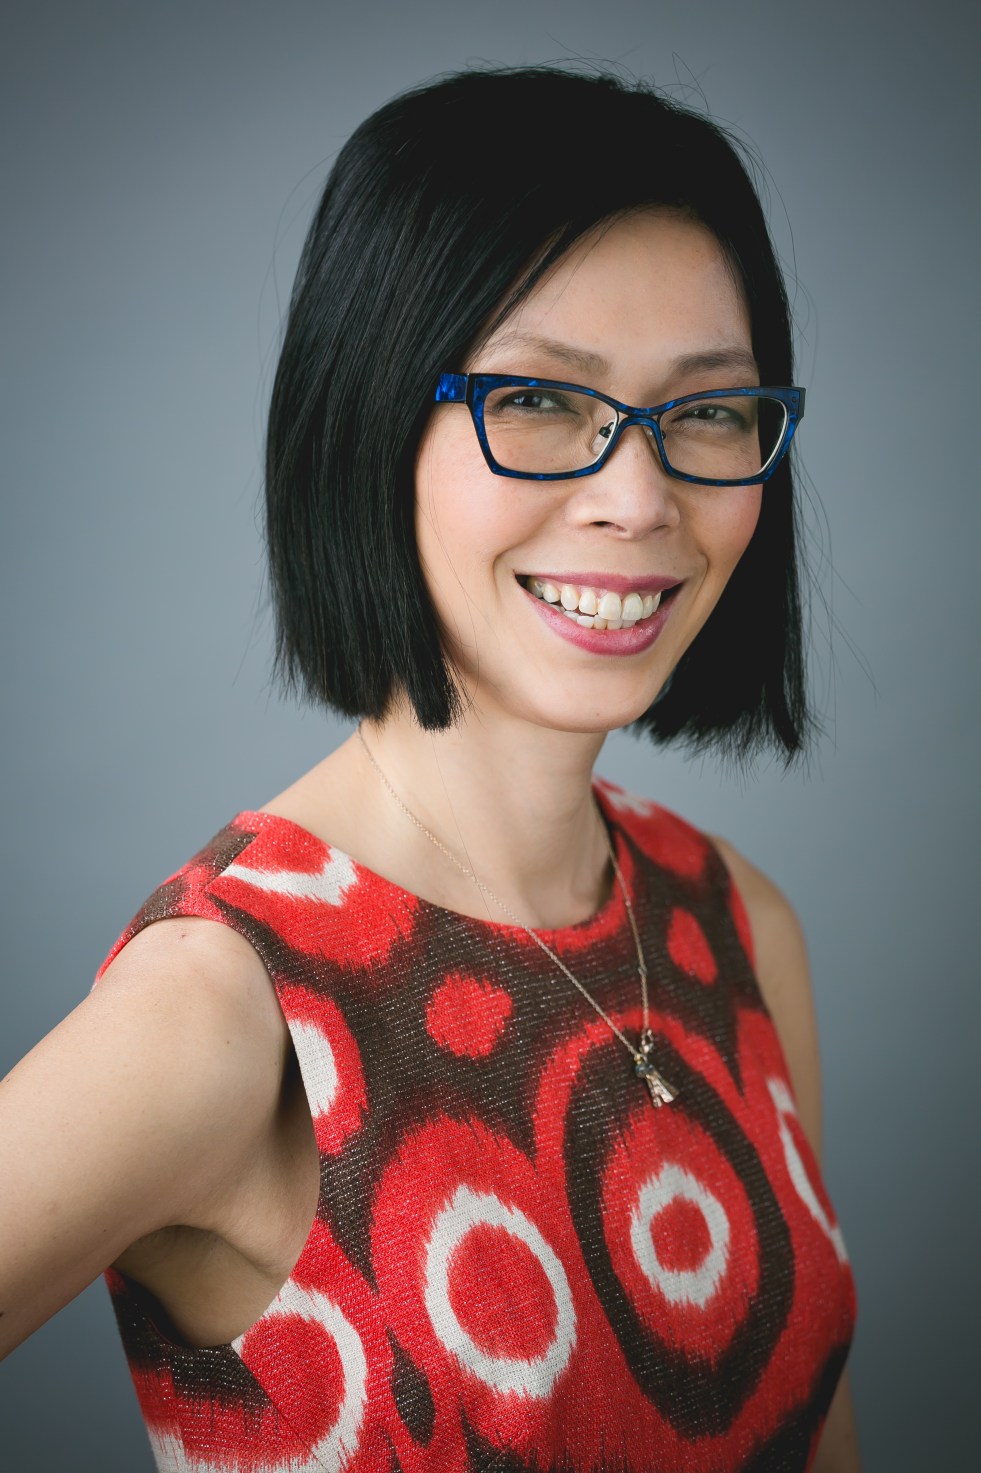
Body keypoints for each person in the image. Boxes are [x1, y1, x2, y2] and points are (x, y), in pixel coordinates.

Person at [0, 66, 861, 1472]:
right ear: (369, 422)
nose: (638, 497)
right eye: (539, 399)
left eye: (707, 411)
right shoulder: (230, 1007)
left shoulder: (738, 922)